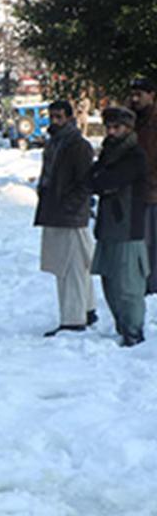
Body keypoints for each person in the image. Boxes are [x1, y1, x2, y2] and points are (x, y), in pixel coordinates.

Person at [34, 100, 98, 337]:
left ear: (70, 118)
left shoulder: (77, 145)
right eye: (52, 116)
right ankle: (88, 309)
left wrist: (69, 206)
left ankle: (73, 319)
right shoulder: (56, 142)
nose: (55, 121)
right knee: (80, 264)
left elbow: (84, 182)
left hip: (68, 214)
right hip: (59, 212)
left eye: (60, 117)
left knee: (69, 268)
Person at [90, 107, 150, 346]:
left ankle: (134, 332)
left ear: (128, 129)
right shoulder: (108, 152)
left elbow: (108, 180)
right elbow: (92, 179)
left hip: (128, 228)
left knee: (129, 286)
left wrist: (101, 181)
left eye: (117, 127)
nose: (112, 132)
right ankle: (123, 328)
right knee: (110, 283)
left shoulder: (135, 155)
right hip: (107, 227)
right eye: (109, 127)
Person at [126, 77, 157, 294]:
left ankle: (151, 287)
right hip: (132, 192)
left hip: (152, 192)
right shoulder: (130, 120)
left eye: (140, 94)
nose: (135, 99)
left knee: (151, 243)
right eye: (133, 94)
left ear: (152, 95)